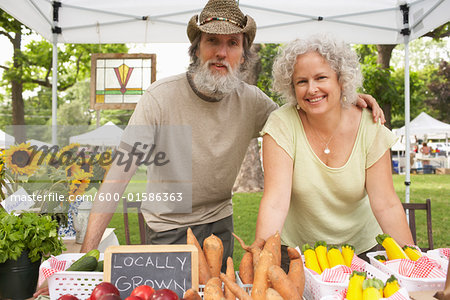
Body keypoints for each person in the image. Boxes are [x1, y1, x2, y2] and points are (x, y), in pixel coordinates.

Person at [34, 0, 384, 296]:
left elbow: (305, 113)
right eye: (212, 41)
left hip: (220, 224)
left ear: (244, 53)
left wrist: (349, 100)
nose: (221, 52)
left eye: (233, 43)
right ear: (196, 47)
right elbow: (117, 179)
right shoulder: (159, 98)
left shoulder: (255, 103)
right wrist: (86, 257)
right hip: (167, 230)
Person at [255, 35, 413, 270]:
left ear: (342, 80)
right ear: (291, 87)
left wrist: (412, 265)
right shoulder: (281, 124)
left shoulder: (370, 126)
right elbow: (275, 202)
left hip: (362, 251)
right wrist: (261, 258)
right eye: (301, 81)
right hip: (297, 254)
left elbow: (387, 204)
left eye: (321, 77)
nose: (312, 89)